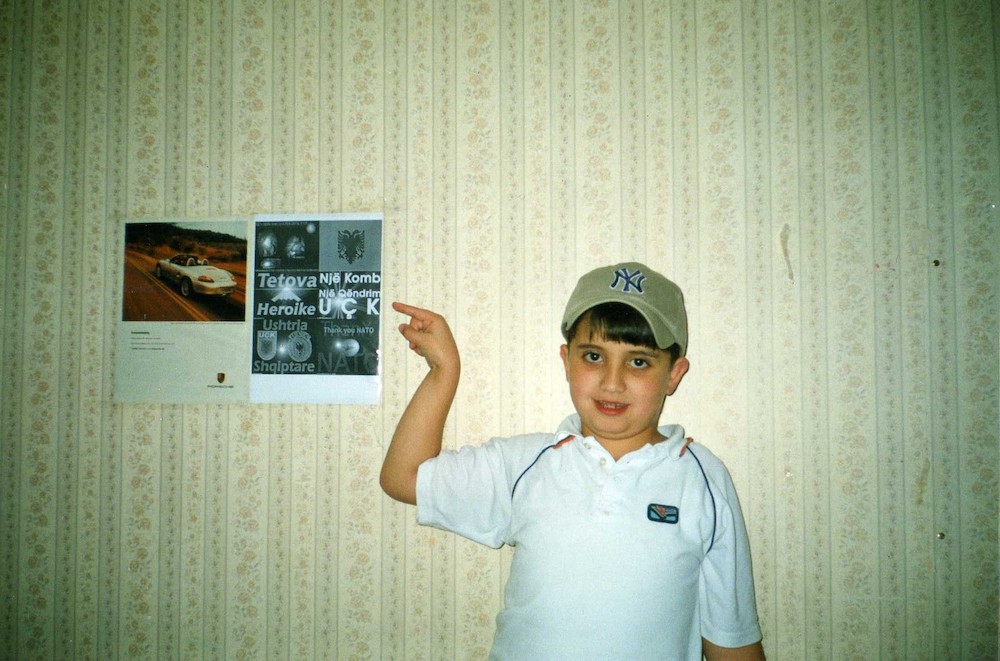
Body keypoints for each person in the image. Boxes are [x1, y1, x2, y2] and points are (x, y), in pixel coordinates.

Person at [381, 262, 764, 660]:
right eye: (594, 356)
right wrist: (444, 371)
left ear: (674, 374)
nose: (612, 382)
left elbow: (732, 640)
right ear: (567, 361)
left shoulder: (702, 479)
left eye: (638, 362)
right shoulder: (525, 465)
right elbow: (403, 477)